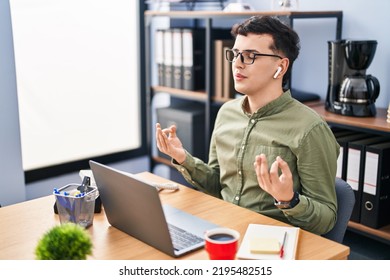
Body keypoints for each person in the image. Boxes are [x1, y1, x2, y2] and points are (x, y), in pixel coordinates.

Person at [155, 16, 340, 235]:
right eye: (235, 54)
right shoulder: (226, 112)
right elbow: (218, 185)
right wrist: (183, 158)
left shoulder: (310, 128)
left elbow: (327, 218)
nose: (238, 63)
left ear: (280, 67)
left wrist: (289, 200)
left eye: (250, 56)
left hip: (268, 241)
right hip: (224, 227)